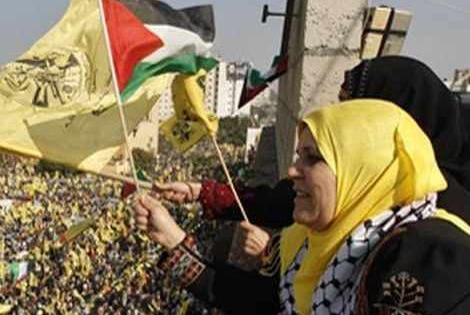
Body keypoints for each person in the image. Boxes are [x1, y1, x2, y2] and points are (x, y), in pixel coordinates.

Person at [134, 99, 470, 315]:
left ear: (363, 169)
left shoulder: (427, 267)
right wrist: (173, 240)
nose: (293, 171)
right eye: (298, 155)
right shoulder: (319, 238)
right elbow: (260, 299)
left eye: (313, 158)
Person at [159, 56, 470, 260]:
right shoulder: (362, 179)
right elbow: (280, 202)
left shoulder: (436, 232)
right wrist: (200, 191)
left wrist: (271, 256)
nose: (295, 171)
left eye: (352, 108)